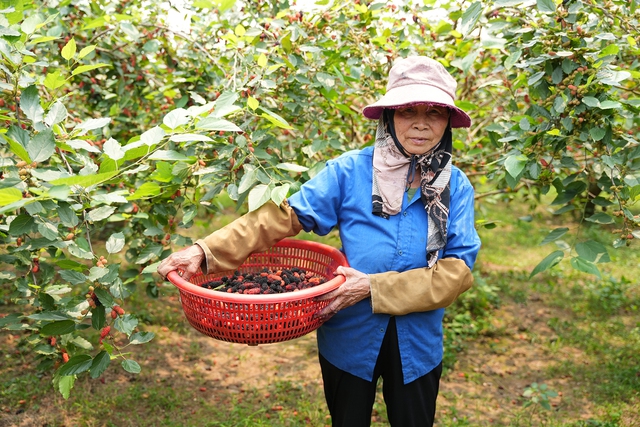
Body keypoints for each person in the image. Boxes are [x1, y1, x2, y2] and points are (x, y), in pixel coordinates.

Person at [157, 56, 481, 427]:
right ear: (389, 117)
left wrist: (373, 287)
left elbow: (457, 271)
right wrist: (204, 250)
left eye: (435, 113)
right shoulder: (349, 171)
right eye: (408, 110)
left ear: (447, 122)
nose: (421, 123)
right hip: (349, 335)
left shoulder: (455, 187)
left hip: (418, 341)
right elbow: (283, 216)